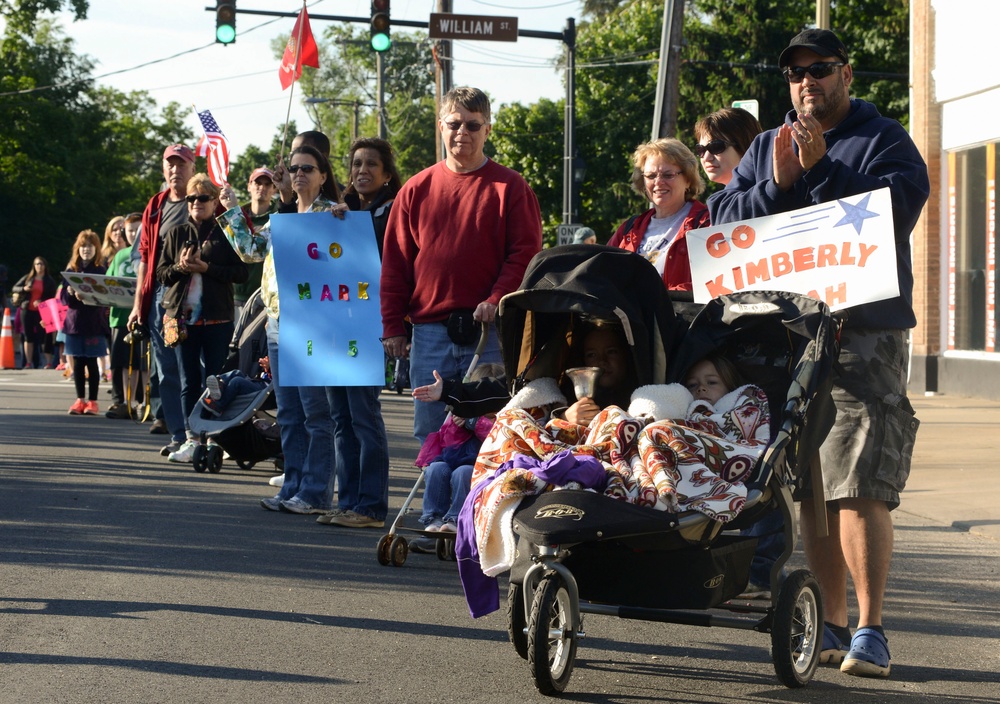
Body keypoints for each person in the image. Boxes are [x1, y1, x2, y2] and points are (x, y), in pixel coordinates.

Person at [708, 28, 930, 679]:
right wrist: (776, 184)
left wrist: (825, 167)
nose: (808, 82)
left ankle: (871, 629)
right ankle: (831, 621)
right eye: (796, 73)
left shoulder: (882, 136)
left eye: (820, 69)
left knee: (859, 481)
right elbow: (722, 218)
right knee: (811, 485)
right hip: (788, 336)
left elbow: (897, 209)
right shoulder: (767, 146)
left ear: (846, 74)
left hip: (863, 333)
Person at [380, 86, 543, 444]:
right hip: (429, 333)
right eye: (454, 123)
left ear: (488, 130)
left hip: (490, 333)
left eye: (473, 125)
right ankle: (437, 502)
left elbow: (525, 254)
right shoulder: (415, 189)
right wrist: (392, 325)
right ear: (441, 126)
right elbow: (396, 263)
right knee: (431, 432)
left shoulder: (511, 188)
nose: (462, 133)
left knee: (490, 431)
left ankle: (480, 501)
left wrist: (498, 297)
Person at [219, 145, 342, 515]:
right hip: (276, 324)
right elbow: (250, 250)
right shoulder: (283, 217)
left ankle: (316, 492)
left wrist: (344, 217)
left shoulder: (331, 214)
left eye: (308, 168)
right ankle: (293, 487)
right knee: (288, 412)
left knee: (316, 413)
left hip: (314, 325)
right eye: (294, 168)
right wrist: (232, 207)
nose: (300, 173)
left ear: (323, 176)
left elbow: (345, 260)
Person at [315, 137, 400, 529]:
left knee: (364, 416)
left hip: (371, 327)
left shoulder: (394, 211)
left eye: (370, 164)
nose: (361, 171)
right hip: (336, 325)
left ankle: (370, 507)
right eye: (356, 164)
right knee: (340, 417)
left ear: (386, 174)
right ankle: (347, 502)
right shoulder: (342, 212)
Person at [157, 173, 248, 463]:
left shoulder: (225, 231)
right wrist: (182, 268)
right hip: (183, 319)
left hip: (217, 319)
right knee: (188, 381)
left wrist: (206, 267)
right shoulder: (175, 233)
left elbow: (241, 273)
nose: (197, 203)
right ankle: (191, 438)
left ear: (214, 201)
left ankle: (215, 438)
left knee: (216, 381)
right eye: (191, 198)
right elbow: (161, 274)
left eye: (203, 198)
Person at [129, 144, 197, 454]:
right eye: (170, 165)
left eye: (181, 165)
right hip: (162, 297)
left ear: (192, 168)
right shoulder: (155, 204)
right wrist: (137, 305)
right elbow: (144, 257)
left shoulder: (203, 198)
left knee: (196, 369)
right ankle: (178, 434)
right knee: (168, 369)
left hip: (198, 296)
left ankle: (201, 434)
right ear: (163, 169)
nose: (175, 170)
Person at [409, 361, 504, 553]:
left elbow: (495, 438)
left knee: (463, 473)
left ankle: (455, 519)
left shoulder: (499, 420)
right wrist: (456, 423)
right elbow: (446, 441)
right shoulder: (461, 412)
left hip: (482, 465)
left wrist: (474, 422)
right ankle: (433, 519)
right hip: (453, 458)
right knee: (436, 469)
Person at [607, 138, 710, 291]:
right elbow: (603, 276)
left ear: (688, 179)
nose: (658, 182)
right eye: (650, 176)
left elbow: (713, 283)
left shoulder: (707, 224)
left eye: (668, 175)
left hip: (682, 314)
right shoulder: (628, 230)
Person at [60, 230, 109, 415]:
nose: (85, 250)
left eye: (89, 246)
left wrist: (87, 295)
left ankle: (93, 401)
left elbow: (102, 297)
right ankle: (79, 399)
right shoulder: (72, 269)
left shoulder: (100, 270)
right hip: (74, 323)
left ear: (96, 248)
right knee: (78, 363)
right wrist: (71, 293)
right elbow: (64, 298)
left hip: (94, 323)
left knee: (92, 362)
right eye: (82, 246)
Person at [105, 212, 147, 419]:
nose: (133, 234)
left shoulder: (149, 252)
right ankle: (125, 402)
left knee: (143, 362)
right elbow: (106, 283)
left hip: (144, 316)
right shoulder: (120, 256)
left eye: (137, 230)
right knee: (121, 361)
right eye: (130, 231)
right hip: (120, 317)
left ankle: (144, 402)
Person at [233, 167, 278, 318]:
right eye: (257, 183)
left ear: (274, 189)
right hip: (235, 297)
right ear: (249, 186)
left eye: (267, 184)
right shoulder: (235, 217)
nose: (262, 188)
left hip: (264, 299)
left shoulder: (278, 218)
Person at [693, 107, 763, 187]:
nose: (706, 158)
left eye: (716, 146)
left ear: (745, 146)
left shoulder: (768, 196)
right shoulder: (726, 198)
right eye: (701, 149)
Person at [10, 256, 58, 369]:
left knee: (44, 337)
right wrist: (24, 289)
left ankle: (48, 362)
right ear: (34, 266)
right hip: (27, 310)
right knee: (28, 337)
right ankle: (28, 362)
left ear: (45, 266)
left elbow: (53, 297)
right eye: (37, 264)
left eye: (41, 264)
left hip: (42, 311)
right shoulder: (28, 278)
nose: (39, 266)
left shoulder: (49, 280)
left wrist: (42, 301)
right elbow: (14, 288)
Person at [200, 357, 270, 416]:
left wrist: (269, 367)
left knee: (237, 381)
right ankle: (220, 383)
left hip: (267, 388)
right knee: (236, 372)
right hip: (260, 381)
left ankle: (218, 406)